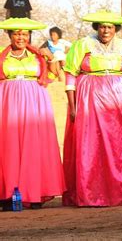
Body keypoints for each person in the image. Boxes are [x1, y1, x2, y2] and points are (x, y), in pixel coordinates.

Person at [62, 11, 122, 207]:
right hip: (90, 98)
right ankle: (92, 193)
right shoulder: (82, 45)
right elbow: (71, 74)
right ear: (96, 27)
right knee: (92, 144)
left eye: (109, 27)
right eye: (102, 26)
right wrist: (73, 107)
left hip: (120, 99)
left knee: (121, 144)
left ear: (115, 29)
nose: (105, 30)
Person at [0, 18, 64, 210]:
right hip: (7, 102)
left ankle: (34, 192)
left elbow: (53, 75)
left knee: (33, 146)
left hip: (34, 102)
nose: (21, 37)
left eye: (25, 34)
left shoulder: (38, 56)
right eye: (17, 34)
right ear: (9, 35)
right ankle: (6, 194)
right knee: (8, 146)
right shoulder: (2, 56)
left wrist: (50, 57)